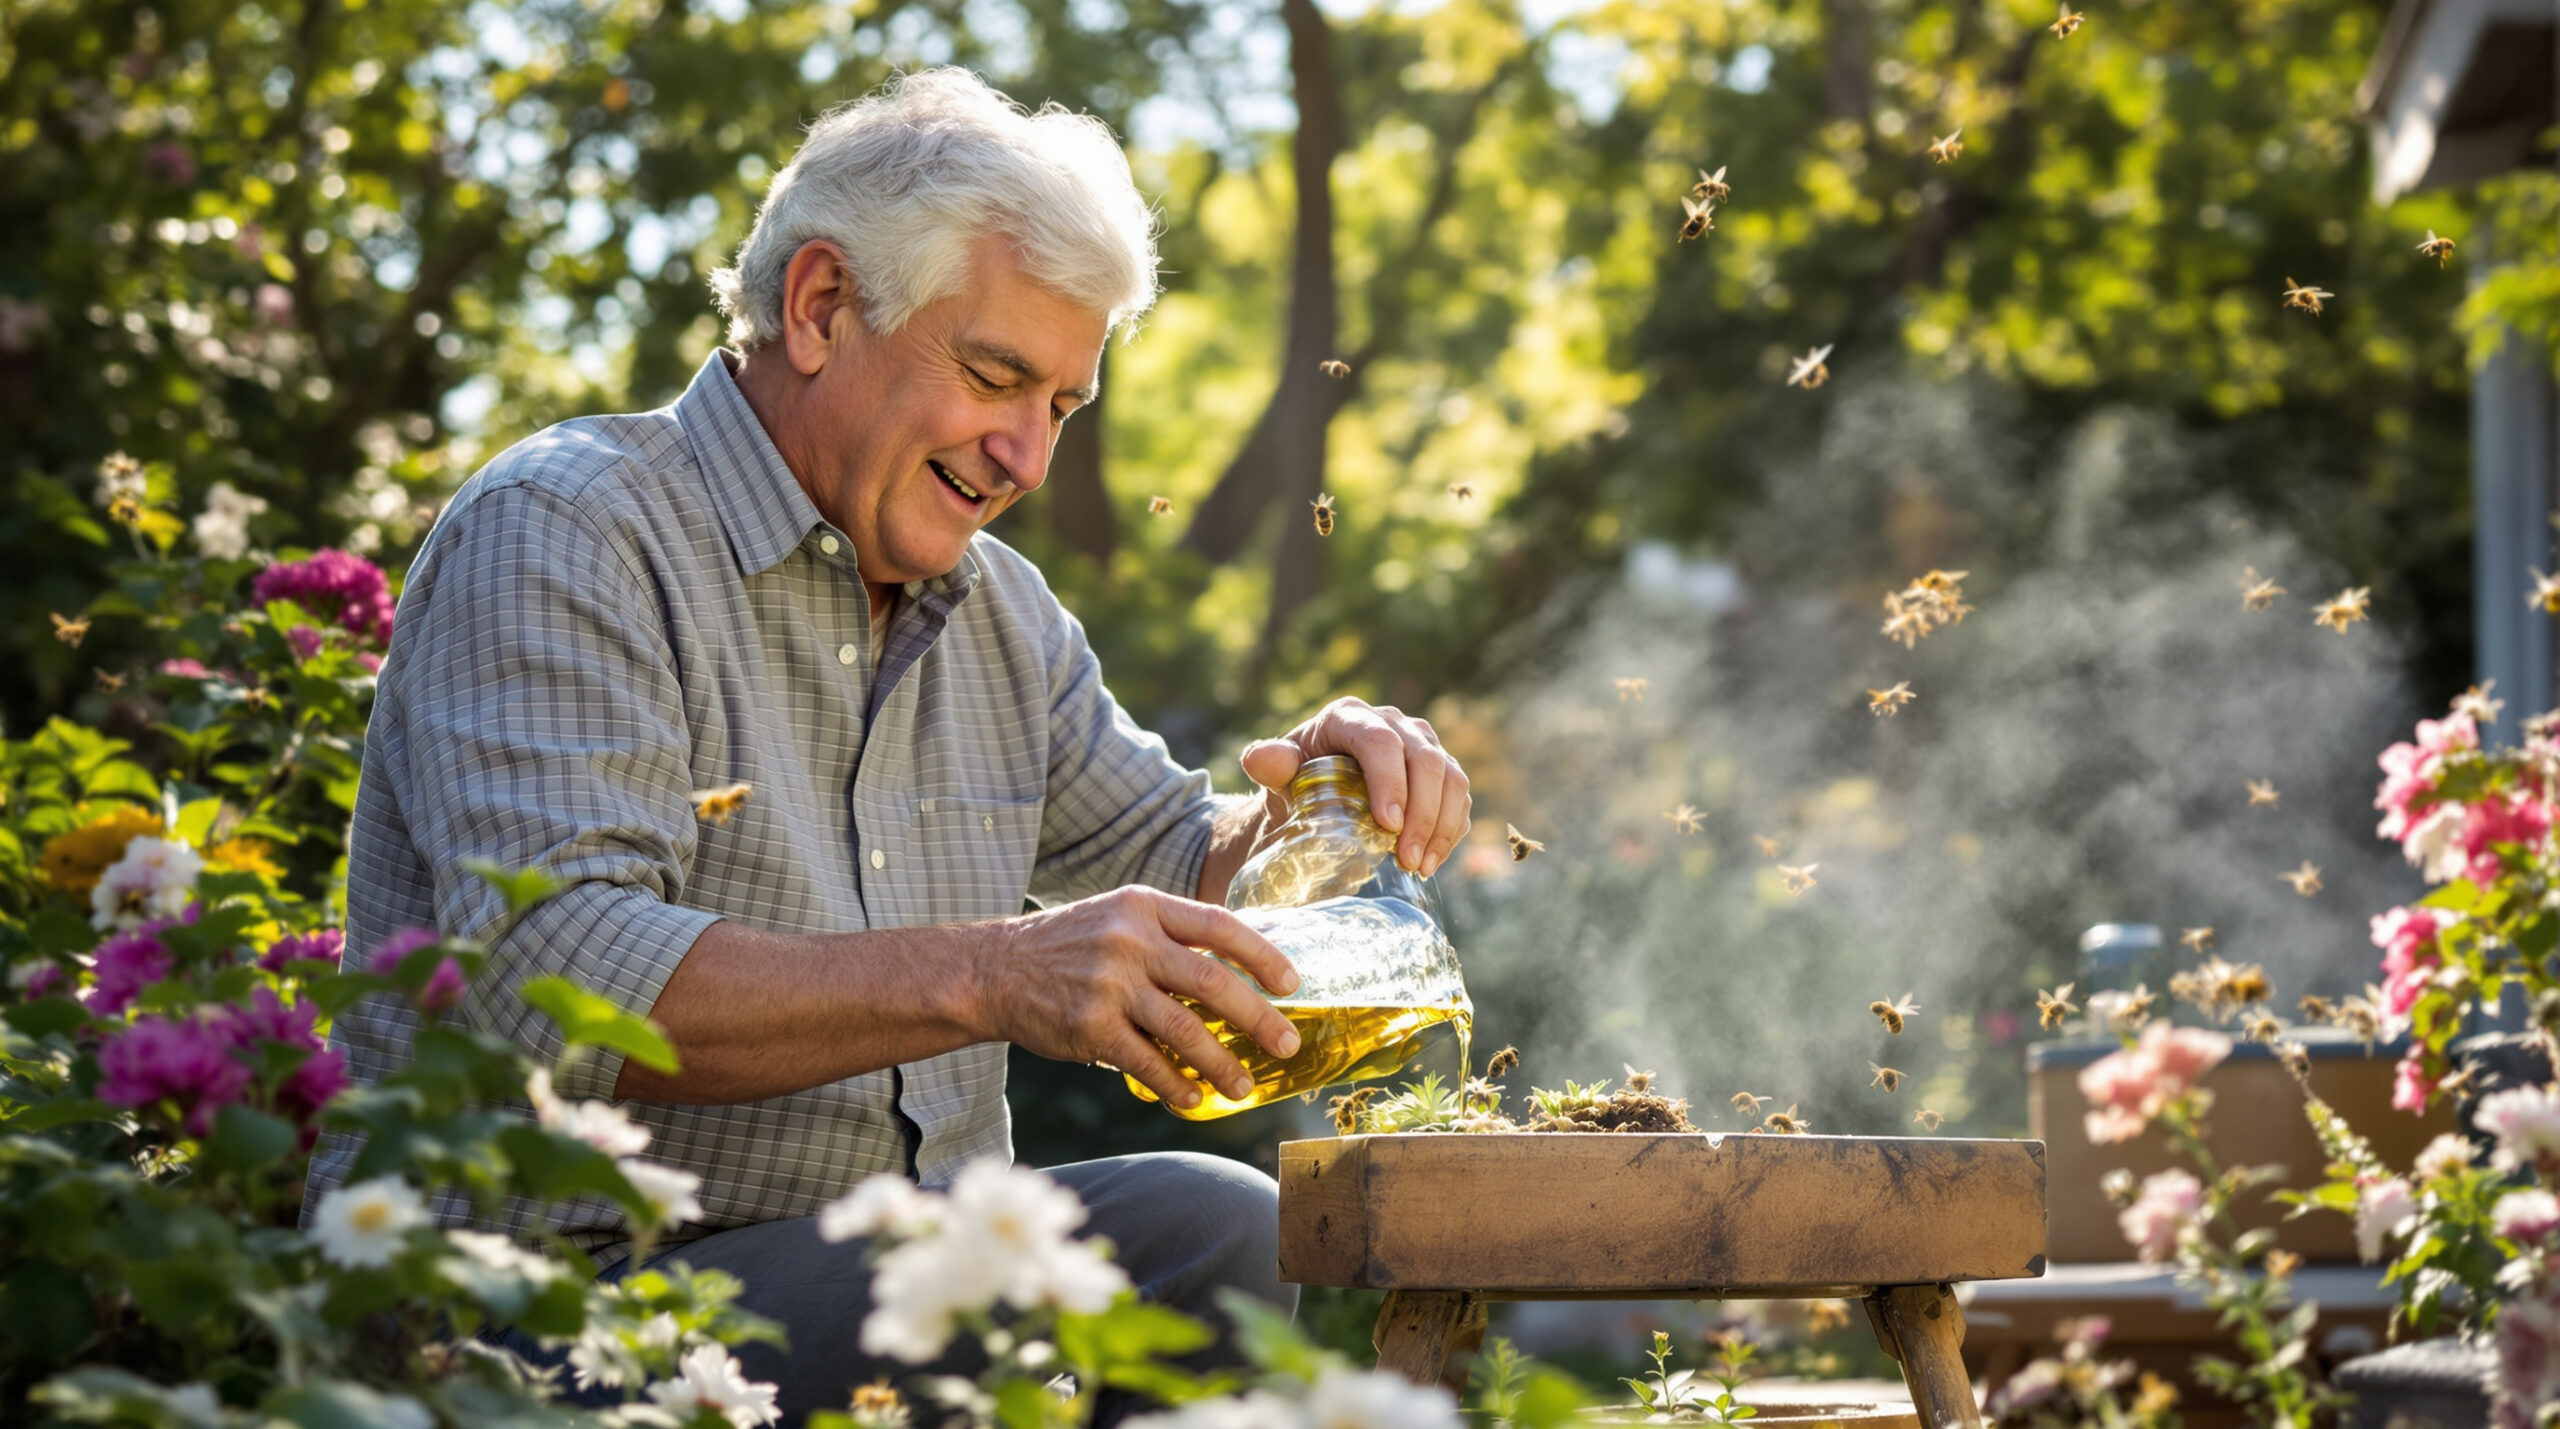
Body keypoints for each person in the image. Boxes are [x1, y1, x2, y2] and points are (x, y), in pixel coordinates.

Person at [303, 66, 1474, 1424]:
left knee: (1213, 1228)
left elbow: (1183, 863)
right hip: (548, 1318)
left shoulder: (999, 613)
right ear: (819, 307)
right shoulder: (568, 531)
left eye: (1063, 406)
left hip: (888, 1306)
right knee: (1173, 1241)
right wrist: (992, 973)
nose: (1028, 455)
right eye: (996, 376)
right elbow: (559, 978)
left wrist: (1321, 796)